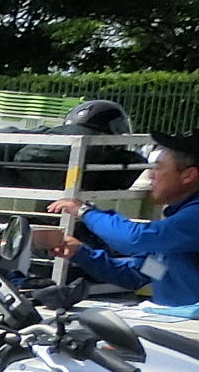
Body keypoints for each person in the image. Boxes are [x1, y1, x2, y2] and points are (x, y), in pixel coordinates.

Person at [49, 130, 199, 313]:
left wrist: (84, 211)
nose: (151, 175)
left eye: (158, 168)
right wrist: (80, 253)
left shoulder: (193, 218)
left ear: (188, 176)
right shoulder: (177, 229)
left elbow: (134, 239)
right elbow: (140, 273)